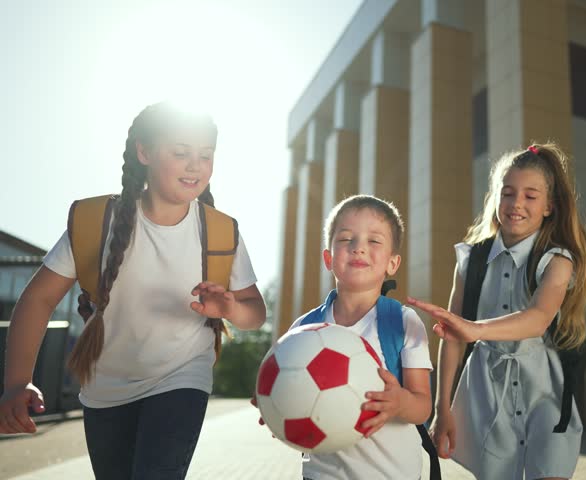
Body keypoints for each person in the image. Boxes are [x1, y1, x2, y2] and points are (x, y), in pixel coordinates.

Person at [0, 101, 266, 480]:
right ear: (144, 152)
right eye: (180, 153)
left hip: (182, 375)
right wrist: (16, 383)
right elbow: (38, 299)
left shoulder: (222, 232)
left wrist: (229, 308)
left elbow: (255, 311)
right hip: (105, 385)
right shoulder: (96, 222)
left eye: (205, 156)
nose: (195, 165)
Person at [408, 143, 586, 480]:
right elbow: (452, 337)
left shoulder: (557, 260)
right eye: (507, 193)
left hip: (547, 393)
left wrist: (475, 329)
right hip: (485, 394)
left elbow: (538, 319)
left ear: (549, 206)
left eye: (530, 196)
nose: (516, 204)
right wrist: (442, 408)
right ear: (496, 197)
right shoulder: (471, 261)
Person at [278, 195, 433, 479]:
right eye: (346, 238)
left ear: (392, 263)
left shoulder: (401, 323)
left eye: (374, 241)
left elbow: (423, 406)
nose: (359, 247)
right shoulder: (304, 329)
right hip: (321, 474)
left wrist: (400, 402)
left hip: (391, 473)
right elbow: (287, 392)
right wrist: (277, 404)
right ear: (328, 258)